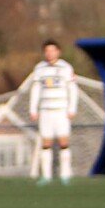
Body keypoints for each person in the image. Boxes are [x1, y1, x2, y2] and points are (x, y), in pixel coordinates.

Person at [29, 40, 79, 185]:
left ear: (58, 52)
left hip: (61, 110)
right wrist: (33, 109)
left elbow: (72, 89)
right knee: (46, 143)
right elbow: (36, 89)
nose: (50, 54)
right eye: (47, 51)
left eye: (52, 50)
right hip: (45, 111)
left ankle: (65, 174)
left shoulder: (65, 67)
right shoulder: (39, 68)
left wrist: (72, 108)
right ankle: (46, 176)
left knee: (64, 142)